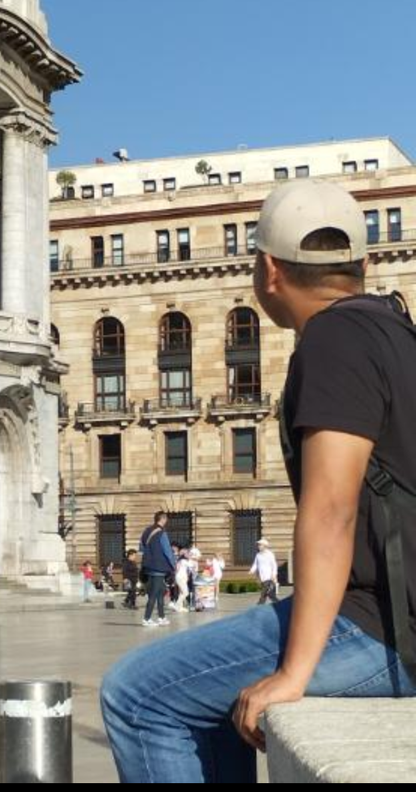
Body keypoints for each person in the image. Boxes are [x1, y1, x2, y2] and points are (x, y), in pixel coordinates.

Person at [101, 180, 416, 783]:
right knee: (204, 699)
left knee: (138, 695)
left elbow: (331, 510)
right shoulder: (395, 329)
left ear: (268, 271)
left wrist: (295, 673)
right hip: (395, 617)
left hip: (385, 631)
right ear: (364, 263)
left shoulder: (333, 337)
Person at [140, 512, 176, 628]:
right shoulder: (162, 533)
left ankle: (161, 617)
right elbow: (167, 551)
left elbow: (141, 548)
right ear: (163, 519)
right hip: (159, 566)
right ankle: (147, 618)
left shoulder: (146, 531)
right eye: (166, 519)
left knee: (160, 592)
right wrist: (173, 564)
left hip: (149, 566)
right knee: (154, 594)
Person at [251, 538, 280, 605]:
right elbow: (255, 564)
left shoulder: (270, 554)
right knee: (271, 595)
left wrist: (274, 574)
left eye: (260, 545)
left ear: (265, 546)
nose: (259, 546)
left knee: (263, 593)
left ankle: (259, 604)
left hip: (269, 577)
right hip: (262, 577)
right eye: (258, 545)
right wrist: (252, 570)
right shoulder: (258, 555)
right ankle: (279, 604)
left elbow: (274, 565)